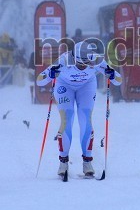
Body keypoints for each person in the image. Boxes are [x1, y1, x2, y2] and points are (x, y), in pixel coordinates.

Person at [36, 41, 122, 177]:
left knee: (86, 120)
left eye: (86, 63)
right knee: (67, 119)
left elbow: (118, 80)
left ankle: (87, 162)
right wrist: (51, 74)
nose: (83, 67)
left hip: (86, 86)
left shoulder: (97, 60)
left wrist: (112, 75)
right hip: (64, 86)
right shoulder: (64, 60)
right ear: (74, 58)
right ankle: (63, 163)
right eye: (80, 64)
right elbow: (40, 80)